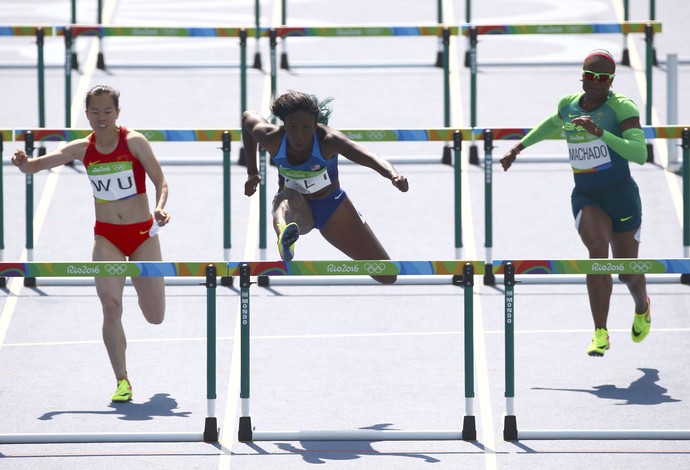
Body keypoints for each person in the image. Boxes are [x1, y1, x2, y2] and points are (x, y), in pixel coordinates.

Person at [12, 85, 171, 400]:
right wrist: (24, 164)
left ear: (117, 113)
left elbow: (160, 180)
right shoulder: (82, 149)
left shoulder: (134, 142)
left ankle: (134, 350)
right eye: (95, 112)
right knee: (111, 307)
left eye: (107, 112)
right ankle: (122, 380)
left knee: (155, 316)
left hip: (142, 236)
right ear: (86, 114)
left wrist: (160, 206)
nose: (101, 118)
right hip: (107, 237)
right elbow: (41, 164)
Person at [499, 49, 651, 357]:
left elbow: (640, 154)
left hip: (622, 198)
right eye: (590, 76)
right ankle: (600, 332)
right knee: (597, 254)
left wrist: (601, 133)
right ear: (582, 76)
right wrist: (518, 147)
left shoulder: (621, 108)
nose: (595, 83)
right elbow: (551, 123)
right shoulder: (569, 105)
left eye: (602, 78)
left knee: (626, 272)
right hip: (587, 197)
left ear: (611, 81)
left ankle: (642, 306)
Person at [241, 90, 408, 284]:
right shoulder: (272, 137)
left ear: (315, 125)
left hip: (331, 206)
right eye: (292, 127)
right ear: (284, 125)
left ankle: (287, 233)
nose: (299, 136)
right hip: (297, 208)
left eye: (306, 128)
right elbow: (247, 118)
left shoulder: (328, 140)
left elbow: (368, 155)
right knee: (285, 200)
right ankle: (284, 238)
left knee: (386, 274)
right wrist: (252, 171)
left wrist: (392, 175)